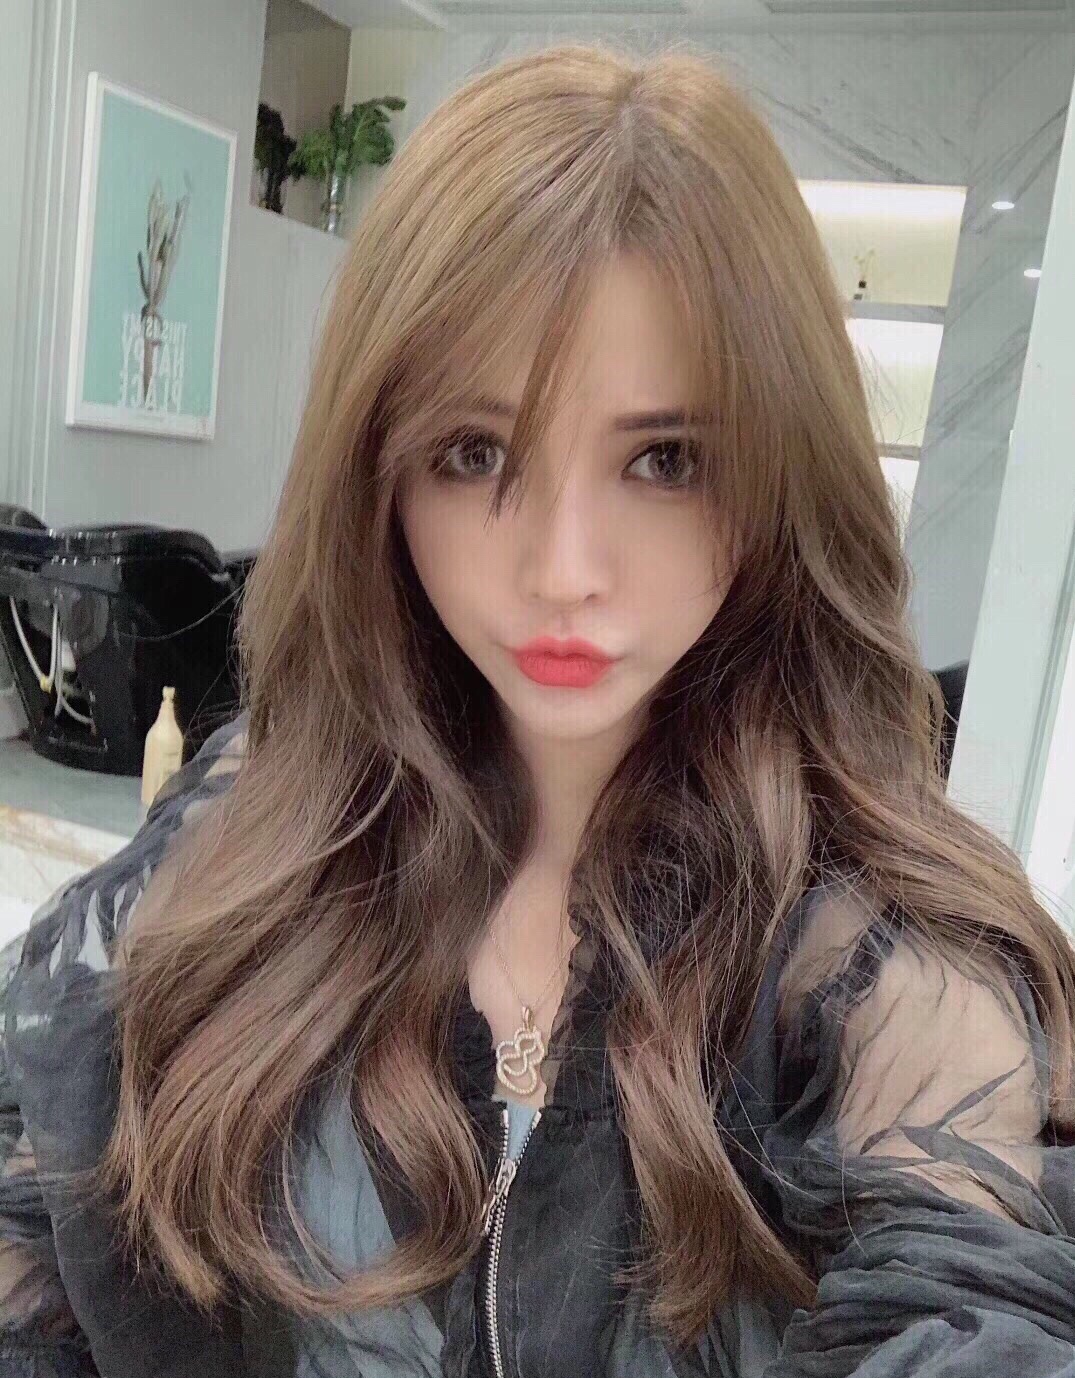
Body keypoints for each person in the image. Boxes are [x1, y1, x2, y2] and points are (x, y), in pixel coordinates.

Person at [2, 39, 1074, 1378]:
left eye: (666, 460)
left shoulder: (880, 966)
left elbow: (969, 1307)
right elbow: (39, 1159)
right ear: (377, 474)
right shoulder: (262, 818)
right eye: (475, 452)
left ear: (778, 477)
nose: (565, 569)